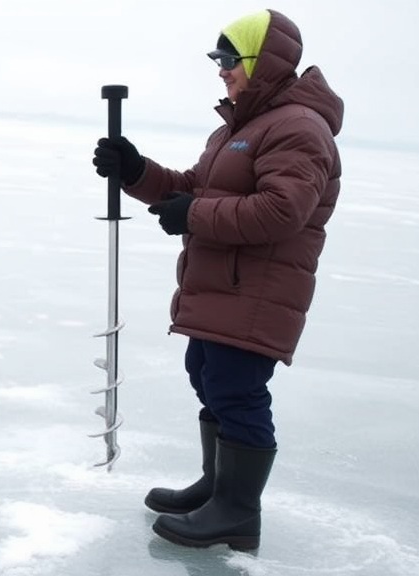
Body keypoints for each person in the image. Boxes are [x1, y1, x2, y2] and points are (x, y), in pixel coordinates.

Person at [92, 9, 343, 550]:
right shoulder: (240, 127)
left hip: (258, 291)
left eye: (229, 59)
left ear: (262, 61)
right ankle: (218, 487)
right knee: (208, 376)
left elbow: (283, 211)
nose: (221, 70)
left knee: (237, 389)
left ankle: (237, 510)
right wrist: (136, 171)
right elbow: (193, 187)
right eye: (217, 59)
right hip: (225, 287)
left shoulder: (298, 128)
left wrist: (195, 215)